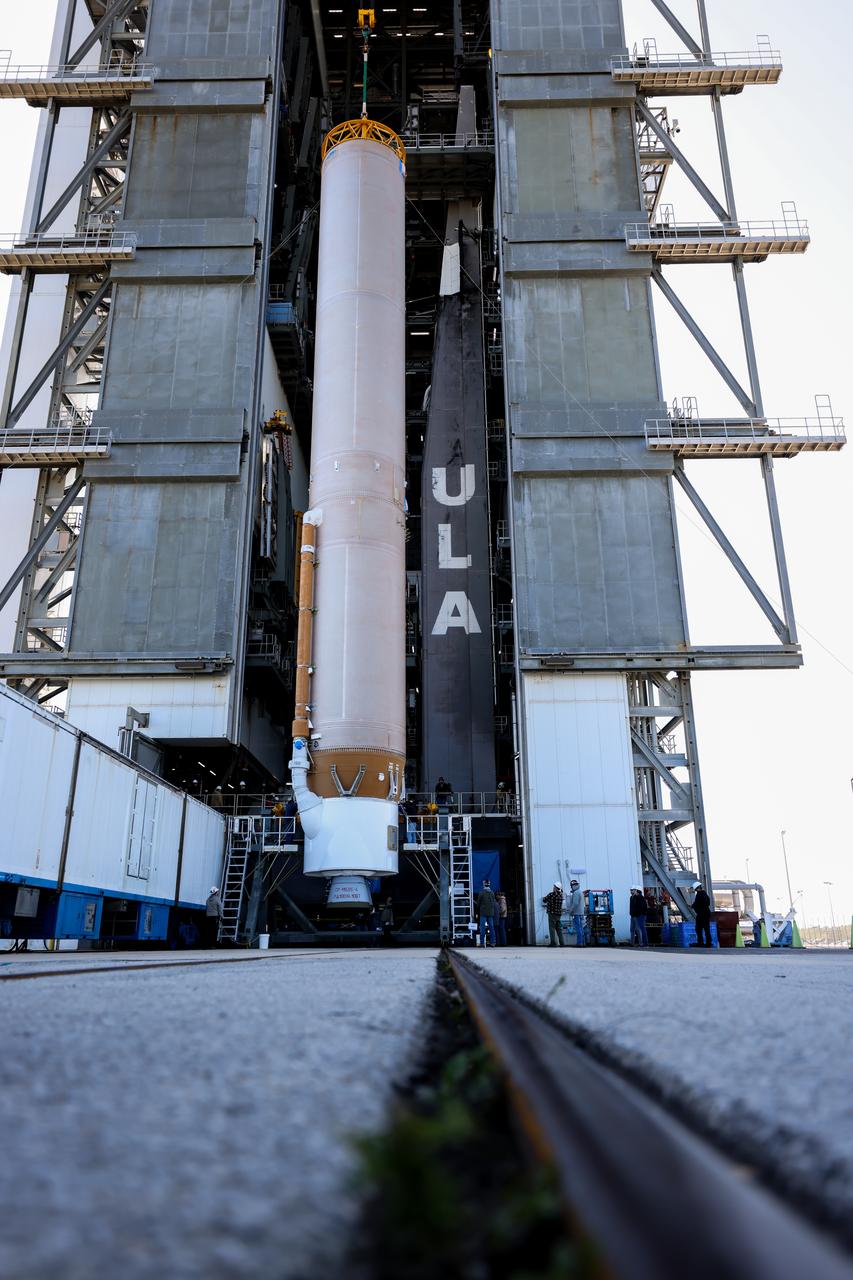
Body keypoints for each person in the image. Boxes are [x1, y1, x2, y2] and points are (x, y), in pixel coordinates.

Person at [477, 878, 498, 947]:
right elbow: (493, 902)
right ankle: (493, 943)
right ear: (489, 884)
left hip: (483, 913)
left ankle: (482, 943)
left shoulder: (481, 893)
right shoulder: (492, 893)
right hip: (491, 913)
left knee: (482, 928)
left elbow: (478, 904)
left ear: (484, 884)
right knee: (491, 928)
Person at [542, 882, 564, 947]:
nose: (553, 888)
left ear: (556, 888)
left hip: (552, 914)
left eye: (554, 887)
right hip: (558, 914)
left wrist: (548, 901)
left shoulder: (551, 894)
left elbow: (544, 900)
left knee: (552, 928)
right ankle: (562, 943)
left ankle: (553, 943)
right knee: (559, 929)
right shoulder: (561, 895)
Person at [693, 881, 713, 948]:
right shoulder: (704, 894)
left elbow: (698, 903)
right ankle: (708, 943)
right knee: (706, 928)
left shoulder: (700, 894)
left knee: (699, 929)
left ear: (697, 888)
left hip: (702, 914)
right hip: (705, 914)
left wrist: (694, 906)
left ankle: (701, 942)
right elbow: (707, 903)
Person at [567, 879, 586, 947]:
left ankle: (579, 943)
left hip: (577, 913)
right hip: (581, 913)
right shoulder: (580, 892)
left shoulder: (576, 893)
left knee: (578, 928)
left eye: (571, 886)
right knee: (581, 928)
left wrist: (570, 910)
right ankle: (582, 942)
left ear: (574, 886)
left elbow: (575, 903)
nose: (571, 887)